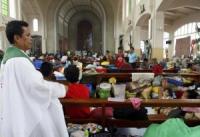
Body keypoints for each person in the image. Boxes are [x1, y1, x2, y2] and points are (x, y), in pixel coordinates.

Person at [0, 20, 69, 137]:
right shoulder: (20, 61)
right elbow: (38, 87)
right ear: (17, 38)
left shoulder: (6, 61)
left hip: (15, 111)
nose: (31, 38)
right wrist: (62, 89)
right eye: (27, 35)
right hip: (25, 114)